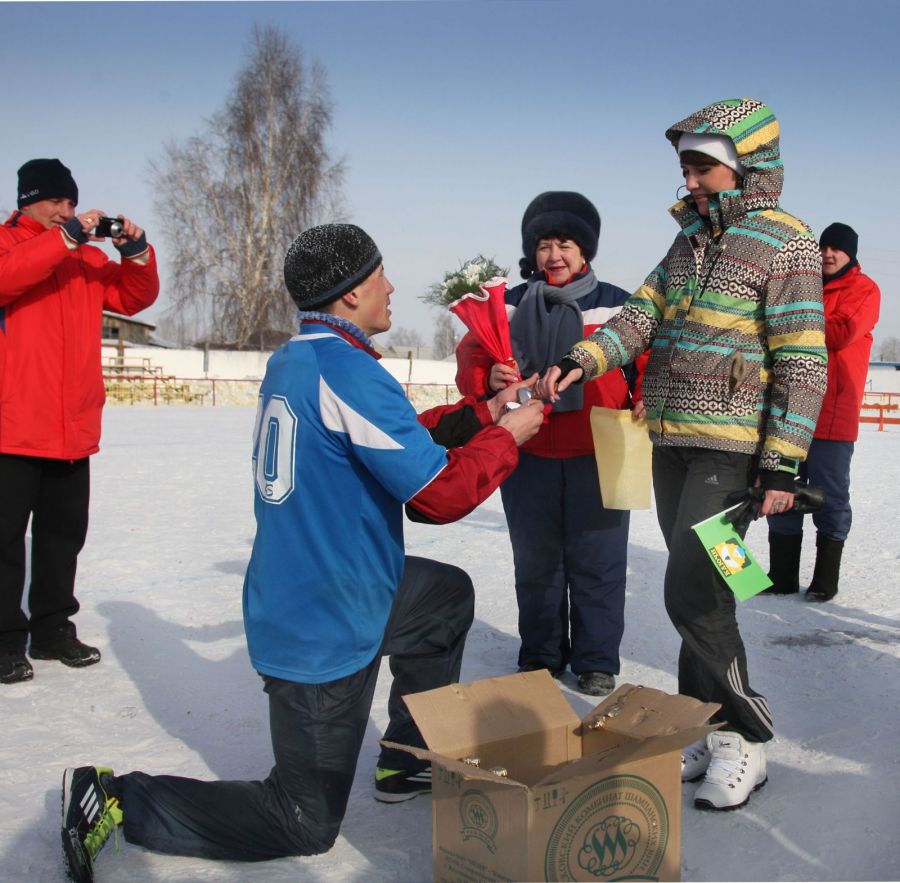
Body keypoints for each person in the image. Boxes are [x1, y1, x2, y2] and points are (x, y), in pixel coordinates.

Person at [60, 223, 544, 881]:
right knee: (302, 820)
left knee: (444, 597)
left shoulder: (304, 356)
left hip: (333, 586)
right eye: (381, 275)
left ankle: (406, 755)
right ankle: (116, 799)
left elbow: (399, 436)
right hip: (322, 621)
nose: (392, 285)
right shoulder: (347, 371)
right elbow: (436, 494)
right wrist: (510, 435)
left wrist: (483, 413)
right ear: (350, 295)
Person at [537, 98, 827, 811]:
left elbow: (803, 359)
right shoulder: (689, 242)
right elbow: (640, 314)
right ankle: (706, 721)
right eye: (686, 168)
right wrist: (584, 356)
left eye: (702, 166)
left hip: (734, 451)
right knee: (713, 589)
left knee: (692, 591)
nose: (690, 180)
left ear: (744, 164)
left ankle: (747, 733)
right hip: (672, 442)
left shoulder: (785, 241)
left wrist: (784, 463)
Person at [455, 191, 646, 697]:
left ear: (586, 251)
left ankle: (596, 658)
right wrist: (487, 379)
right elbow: (471, 364)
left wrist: (648, 398)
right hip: (526, 450)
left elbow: (651, 359)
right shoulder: (507, 306)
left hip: (602, 451)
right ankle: (540, 654)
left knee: (599, 561)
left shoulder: (618, 304)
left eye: (565, 243)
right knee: (537, 560)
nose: (554, 255)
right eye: (543, 244)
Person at [0, 158, 159, 685]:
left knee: (62, 537)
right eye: (56, 203)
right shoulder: (10, 245)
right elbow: (8, 279)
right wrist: (65, 239)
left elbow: (135, 297)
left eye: (71, 204)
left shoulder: (85, 258)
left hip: (72, 425)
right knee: (4, 539)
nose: (65, 211)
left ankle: (51, 629)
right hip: (13, 424)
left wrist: (134, 251)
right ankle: (4, 639)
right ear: (29, 201)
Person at [766, 222, 880, 601]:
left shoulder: (864, 290)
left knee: (829, 495)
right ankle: (781, 576)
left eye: (837, 249)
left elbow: (842, 331)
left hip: (832, 414)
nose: (828, 254)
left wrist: (792, 321)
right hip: (788, 412)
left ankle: (825, 580)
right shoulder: (803, 285)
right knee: (782, 488)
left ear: (851, 254)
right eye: (824, 247)